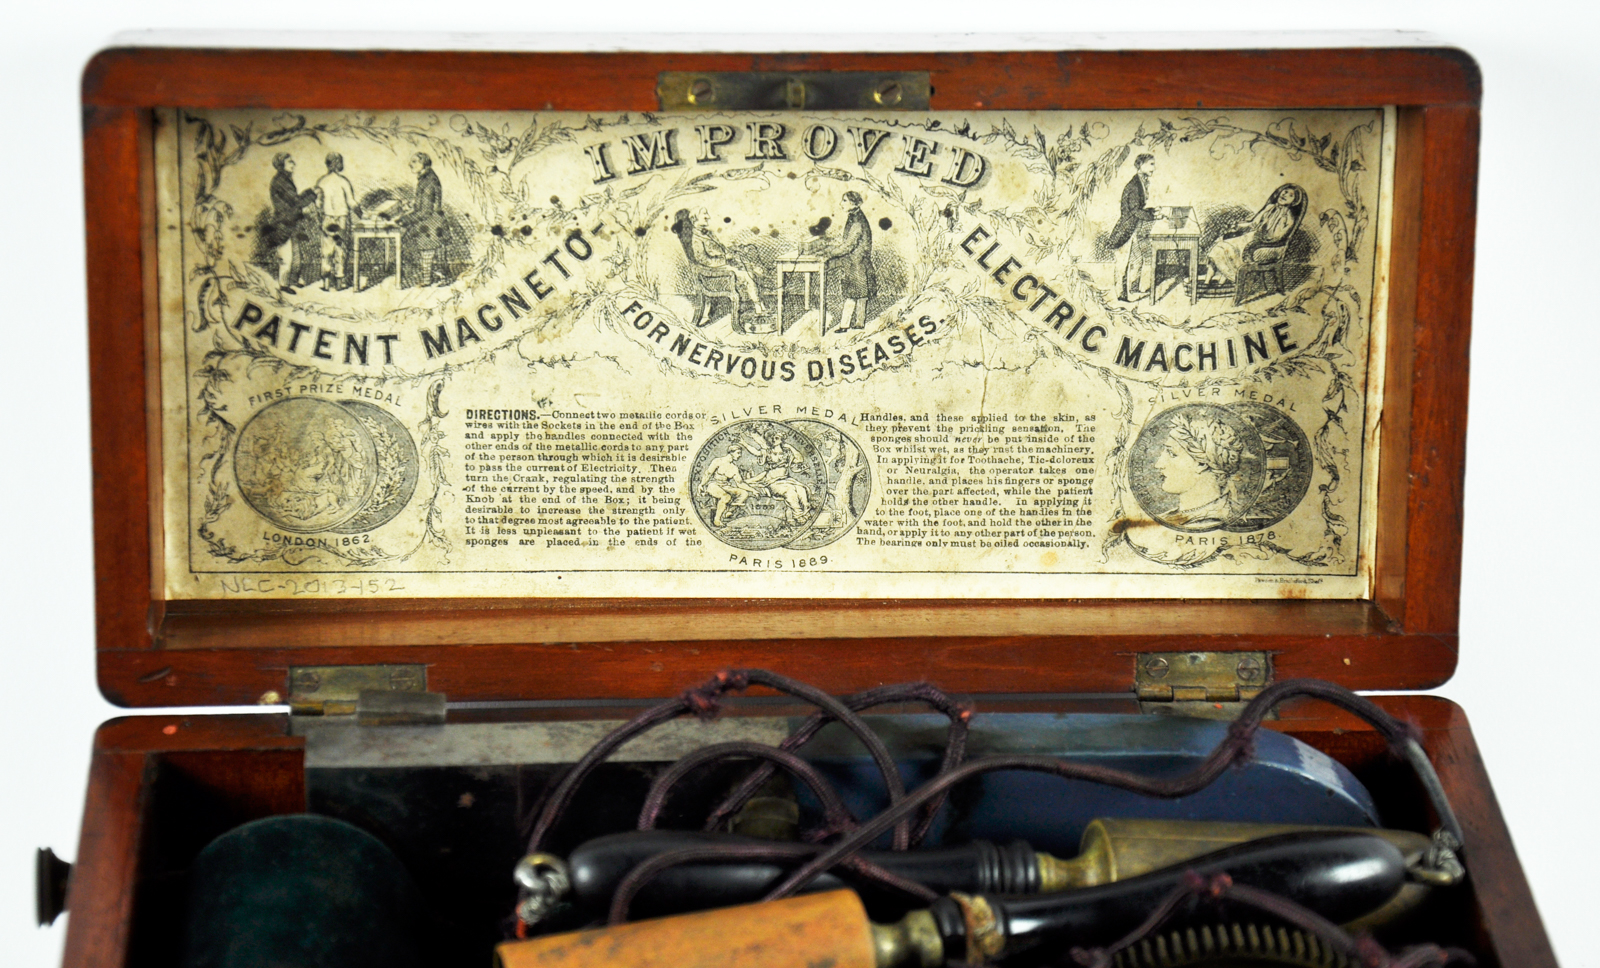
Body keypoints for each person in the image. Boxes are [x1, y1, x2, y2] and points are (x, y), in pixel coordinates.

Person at [1152, 411, 1248, 530]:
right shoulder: (1166, 518)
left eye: (1172, 453)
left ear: (1201, 464)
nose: (1158, 465)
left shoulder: (1214, 520)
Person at [669, 209, 766, 321]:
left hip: (723, 266)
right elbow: (703, 260)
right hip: (712, 274)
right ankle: (757, 307)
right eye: (704, 214)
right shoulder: (695, 238)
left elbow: (721, 249)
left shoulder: (708, 233)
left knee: (753, 269)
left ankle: (756, 304)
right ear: (695, 219)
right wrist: (725, 260)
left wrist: (734, 252)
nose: (708, 217)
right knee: (745, 275)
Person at [1204, 183, 1308, 288]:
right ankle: (1208, 281)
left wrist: (1265, 235)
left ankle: (1226, 279)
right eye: (1285, 192)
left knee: (1227, 248)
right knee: (1221, 245)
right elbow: (1254, 223)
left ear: (1294, 201)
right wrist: (1238, 226)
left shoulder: (1289, 218)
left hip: (1265, 243)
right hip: (1253, 236)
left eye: (1291, 195)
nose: (1285, 195)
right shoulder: (1269, 207)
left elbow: (1279, 237)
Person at [816, 191, 876, 332]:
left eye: (844, 200)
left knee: (853, 295)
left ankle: (845, 325)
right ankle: (859, 323)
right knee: (860, 295)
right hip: (858, 263)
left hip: (857, 264)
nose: (841, 204)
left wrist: (829, 252)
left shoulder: (857, 222)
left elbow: (848, 246)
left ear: (853, 203)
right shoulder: (855, 217)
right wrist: (832, 249)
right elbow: (848, 244)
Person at [1106, 154, 1162, 303]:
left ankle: (1134, 289)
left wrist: (1152, 211)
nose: (1154, 168)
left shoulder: (1140, 182)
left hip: (1134, 228)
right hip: (1126, 229)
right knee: (1123, 263)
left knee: (1137, 260)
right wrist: (1153, 216)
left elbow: (1138, 208)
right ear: (1140, 165)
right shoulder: (1134, 186)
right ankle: (1121, 295)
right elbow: (1135, 210)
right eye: (1151, 164)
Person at [266, 153, 320, 294]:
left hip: (291, 221)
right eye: (290, 162)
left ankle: (292, 280)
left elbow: (295, 200)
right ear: (281, 165)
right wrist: (312, 194)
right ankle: (284, 285)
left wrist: (309, 192)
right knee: (286, 256)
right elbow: (296, 202)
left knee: (295, 255)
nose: (293, 164)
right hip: (283, 223)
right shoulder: (281, 181)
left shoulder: (284, 179)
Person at [398, 152, 446, 287]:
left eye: (414, 161)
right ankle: (426, 276)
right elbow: (423, 204)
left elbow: (426, 211)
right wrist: (411, 206)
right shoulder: (425, 179)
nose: (410, 164)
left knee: (426, 252)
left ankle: (427, 279)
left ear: (423, 163)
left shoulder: (428, 181)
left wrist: (404, 219)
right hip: (428, 222)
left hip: (431, 224)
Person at [315, 152, 359, 291]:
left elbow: (318, 204)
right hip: (342, 219)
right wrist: (361, 213)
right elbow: (351, 202)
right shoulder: (343, 181)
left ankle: (326, 284)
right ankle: (339, 284)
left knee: (326, 251)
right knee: (340, 250)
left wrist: (320, 215)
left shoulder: (321, 181)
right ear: (338, 164)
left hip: (327, 218)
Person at [701, 439, 758, 528]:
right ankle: (717, 520)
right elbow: (708, 473)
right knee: (726, 497)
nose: (739, 456)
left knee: (744, 493)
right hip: (714, 485)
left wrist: (753, 490)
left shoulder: (734, 468)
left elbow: (740, 483)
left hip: (726, 486)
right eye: (738, 453)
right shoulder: (718, 461)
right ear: (731, 452)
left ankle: (729, 511)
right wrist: (702, 484)